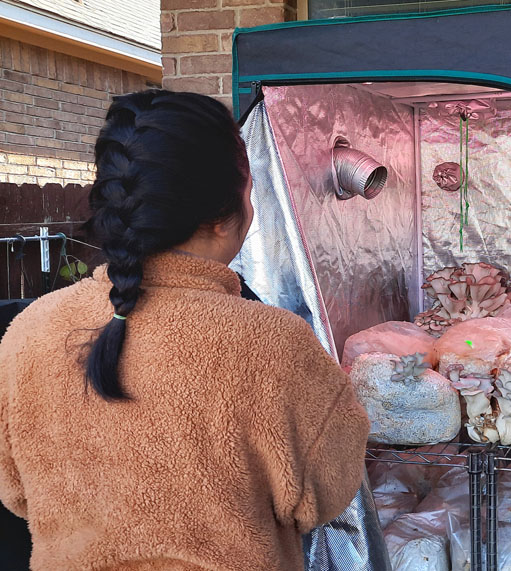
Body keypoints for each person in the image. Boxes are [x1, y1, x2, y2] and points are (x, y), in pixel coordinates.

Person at [0, 90, 370, 570]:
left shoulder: (28, 332)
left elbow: (15, 491)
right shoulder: (276, 346)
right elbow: (322, 497)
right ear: (222, 214)